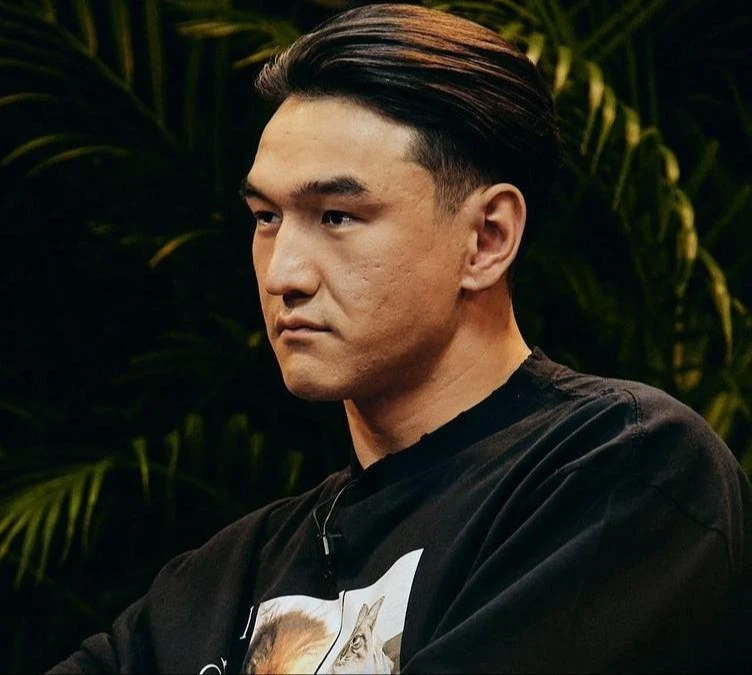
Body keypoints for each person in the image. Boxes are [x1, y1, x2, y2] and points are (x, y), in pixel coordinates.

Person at [49, 4, 752, 673]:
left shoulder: (620, 469)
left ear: (487, 238)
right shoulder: (222, 581)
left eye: (337, 216)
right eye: (266, 217)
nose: (283, 274)